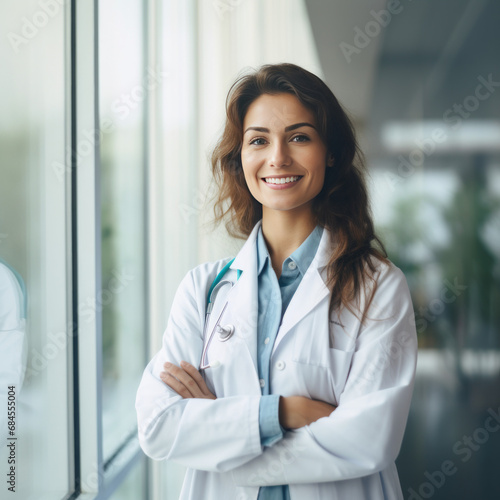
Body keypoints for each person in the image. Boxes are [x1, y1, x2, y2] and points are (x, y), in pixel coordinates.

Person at [135, 63, 417, 500]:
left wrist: (225, 432)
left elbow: (368, 441)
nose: (278, 157)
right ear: (241, 158)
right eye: (259, 140)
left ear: (331, 153)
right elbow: (157, 426)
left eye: (299, 137)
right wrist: (285, 412)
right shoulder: (203, 289)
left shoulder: (378, 287)